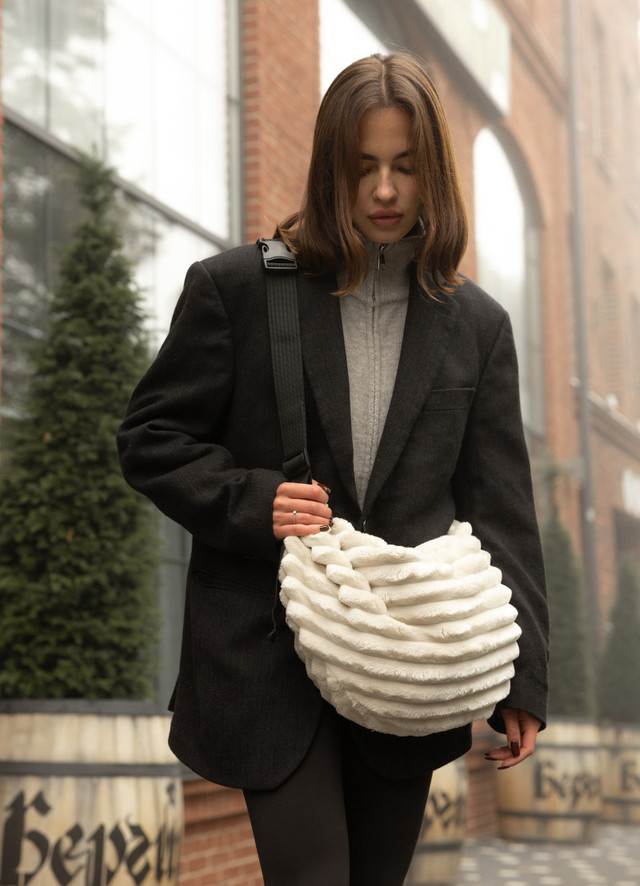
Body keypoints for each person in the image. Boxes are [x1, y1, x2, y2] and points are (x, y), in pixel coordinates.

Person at [117, 52, 548, 886]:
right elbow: (150, 437)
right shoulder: (235, 288)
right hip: (268, 657)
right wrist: (253, 501)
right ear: (330, 171)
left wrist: (522, 674)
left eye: (405, 167)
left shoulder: (479, 325)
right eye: (362, 168)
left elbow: (503, 507)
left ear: (434, 174)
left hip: (405, 663)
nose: (384, 190)